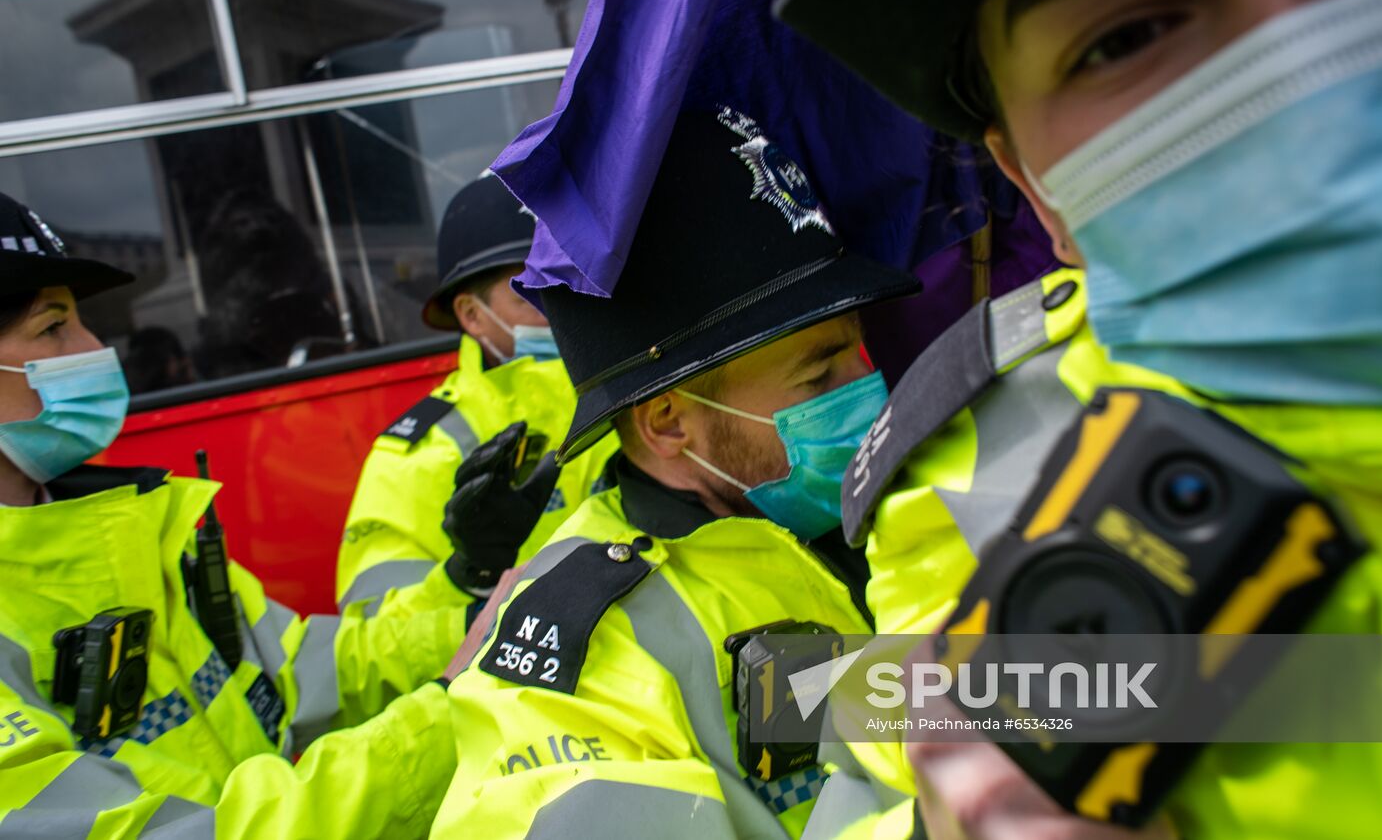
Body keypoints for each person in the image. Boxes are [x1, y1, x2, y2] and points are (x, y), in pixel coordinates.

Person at [778, 0, 1382, 838]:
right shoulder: (960, 481)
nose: (1302, 46)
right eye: (1127, 38)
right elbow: (869, 750)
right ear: (1033, 186)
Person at [426, 106, 920, 838]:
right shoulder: (602, 650)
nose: (868, 394)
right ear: (666, 422)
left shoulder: (843, 521)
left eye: (858, 353)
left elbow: (961, 708)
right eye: (818, 378)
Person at [0, 192, 458, 836]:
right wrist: (443, 716)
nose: (95, 347)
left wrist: (488, 618)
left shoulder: (136, 530)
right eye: (53, 328)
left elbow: (304, 669)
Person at [338, 173, 617, 639]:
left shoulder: (636, 395)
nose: (563, 306)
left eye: (571, 280)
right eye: (534, 290)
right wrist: (470, 579)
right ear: (472, 315)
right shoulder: (414, 459)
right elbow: (365, 649)